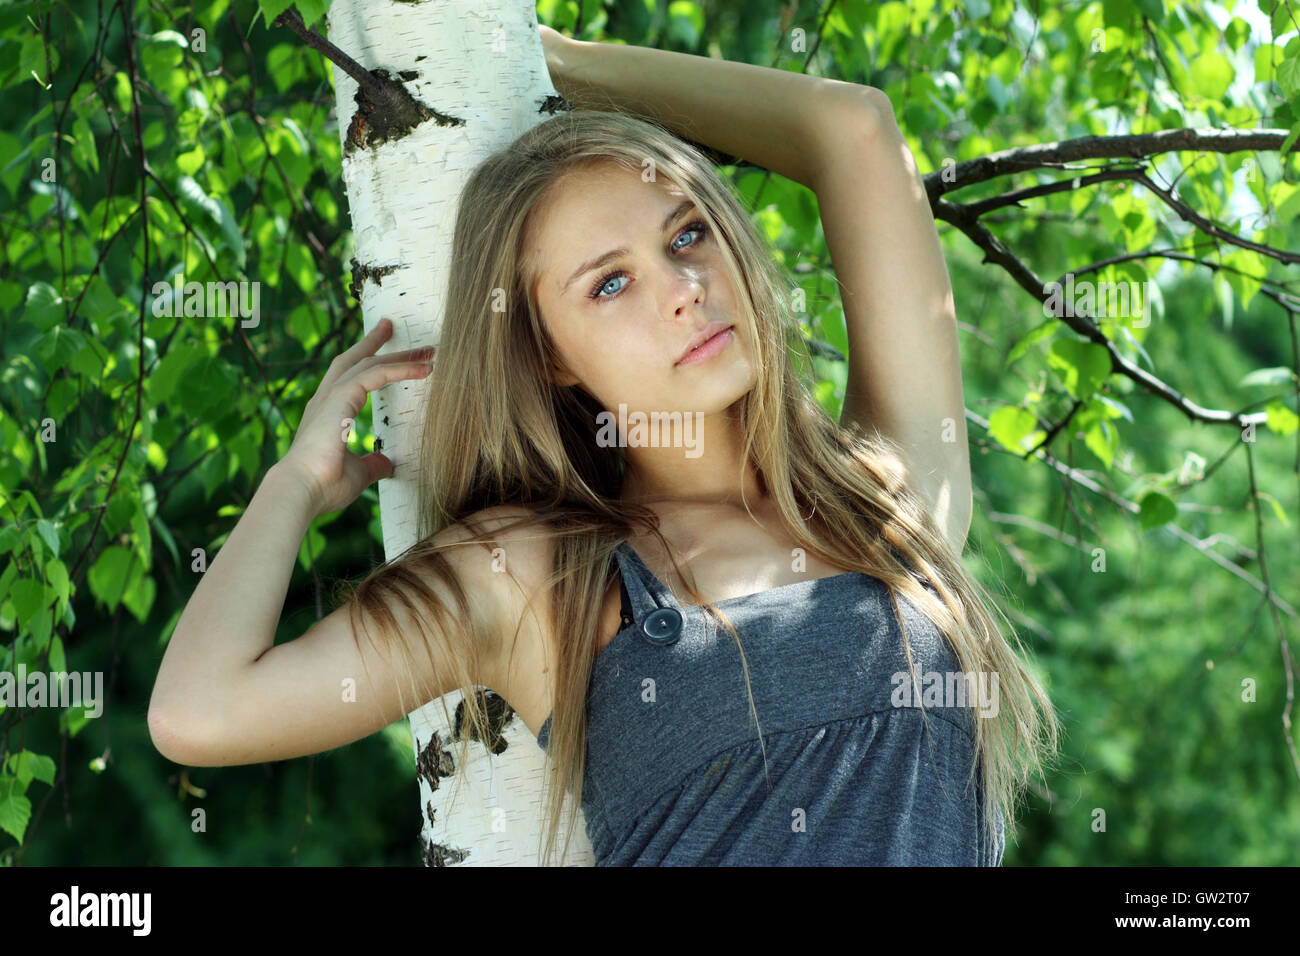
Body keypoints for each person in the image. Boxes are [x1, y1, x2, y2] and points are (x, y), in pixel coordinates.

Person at [148, 27, 1060, 867]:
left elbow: (854, 127)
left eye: (688, 233)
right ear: (548, 355)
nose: (683, 288)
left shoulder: (888, 499)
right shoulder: (540, 576)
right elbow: (199, 710)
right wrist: (298, 482)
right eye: (611, 283)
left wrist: (544, 56)